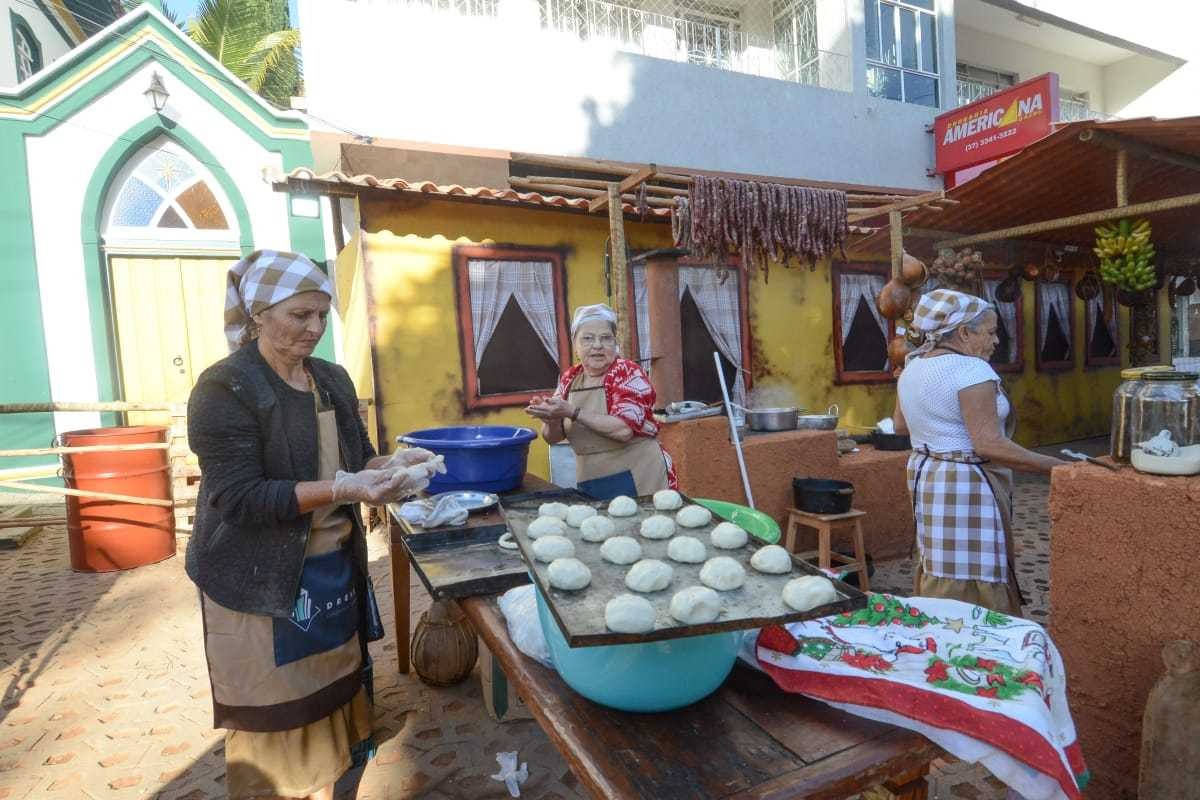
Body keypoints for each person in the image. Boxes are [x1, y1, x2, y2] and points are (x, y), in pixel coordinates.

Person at [185, 250, 441, 800]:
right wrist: (344, 488)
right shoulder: (226, 387)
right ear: (258, 312)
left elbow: (361, 456)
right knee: (278, 700)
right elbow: (238, 497)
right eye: (300, 315)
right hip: (260, 572)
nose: (315, 328)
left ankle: (334, 776)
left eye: (322, 315)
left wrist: (394, 464)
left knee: (332, 678)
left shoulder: (330, 379)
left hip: (329, 562)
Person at [894, 289, 1066, 616]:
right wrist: (1058, 467)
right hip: (965, 482)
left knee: (941, 560)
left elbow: (900, 426)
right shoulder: (971, 371)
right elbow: (988, 444)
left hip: (927, 475)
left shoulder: (913, 365)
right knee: (978, 565)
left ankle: (941, 632)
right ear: (963, 332)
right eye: (990, 331)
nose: (996, 340)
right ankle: (980, 639)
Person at [525, 304, 677, 500]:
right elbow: (551, 438)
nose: (597, 345)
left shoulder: (626, 372)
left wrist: (572, 411)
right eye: (587, 338)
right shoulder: (570, 378)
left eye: (605, 338)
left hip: (640, 473)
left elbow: (623, 430)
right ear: (576, 345)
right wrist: (552, 419)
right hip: (592, 479)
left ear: (615, 343)